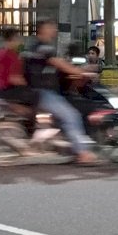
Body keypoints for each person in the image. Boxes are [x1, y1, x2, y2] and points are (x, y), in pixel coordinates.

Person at [24, 20, 97, 164]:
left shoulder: (34, 46)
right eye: (51, 27)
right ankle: (83, 153)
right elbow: (59, 63)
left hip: (38, 91)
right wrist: (81, 72)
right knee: (72, 116)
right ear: (42, 30)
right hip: (42, 93)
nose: (54, 30)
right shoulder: (43, 47)